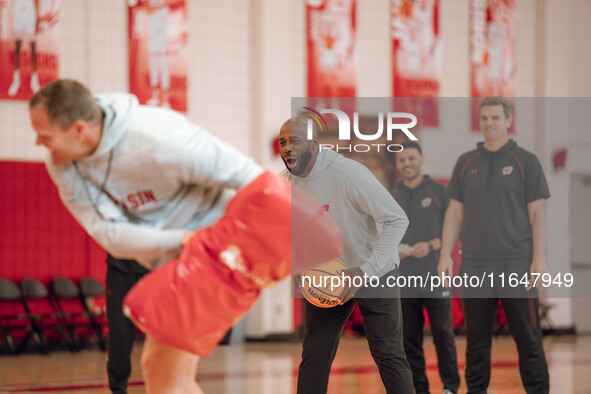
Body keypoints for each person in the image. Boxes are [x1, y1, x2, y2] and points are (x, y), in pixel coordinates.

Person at [29, 79, 263, 393]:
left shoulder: (159, 135)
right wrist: (181, 240)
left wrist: (264, 244)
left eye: (45, 136)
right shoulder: (64, 164)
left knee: (165, 369)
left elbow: (251, 177)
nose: (38, 144)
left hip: (217, 249)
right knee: (164, 371)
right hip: (177, 254)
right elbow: (109, 234)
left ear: (79, 130)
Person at [279, 115, 415, 394]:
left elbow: (397, 219)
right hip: (329, 274)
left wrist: (366, 270)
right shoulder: (285, 184)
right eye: (282, 142)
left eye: (295, 141)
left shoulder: (350, 175)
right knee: (314, 354)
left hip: (375, 270)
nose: (287, 148)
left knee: (388, 353)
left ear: (314, 144)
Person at [438, 96, 550, 393]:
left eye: (495, 118)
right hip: (474, 264)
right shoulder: (465, 163)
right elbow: (455, 212)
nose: (489, 123)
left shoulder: (526, 161)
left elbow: (538, 213)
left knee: (528, 339)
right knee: (476, 343)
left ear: (508, 120)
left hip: (517, 263)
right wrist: (445, 255)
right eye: (484, 118)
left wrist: (540, 259)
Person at [391, 141, 460, 394]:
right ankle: (419, 388)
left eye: (411, 158)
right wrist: (394, 249)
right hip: (404, 280)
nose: (407, 163)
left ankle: (450, 387)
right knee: (410, 339)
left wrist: (431, 246)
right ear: (397, 165)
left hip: (435, 275)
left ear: (421, 159)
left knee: (443, 333)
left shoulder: (440, 192)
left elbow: (455, 230)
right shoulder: (391, 197)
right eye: (402, 160)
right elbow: (381, 235)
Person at [8, 0, 40, 96]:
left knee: (33, 50)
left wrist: (38, 17)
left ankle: (34, 81)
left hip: (30, 13)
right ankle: (16, 80)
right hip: (18, 12)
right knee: (17, 49)